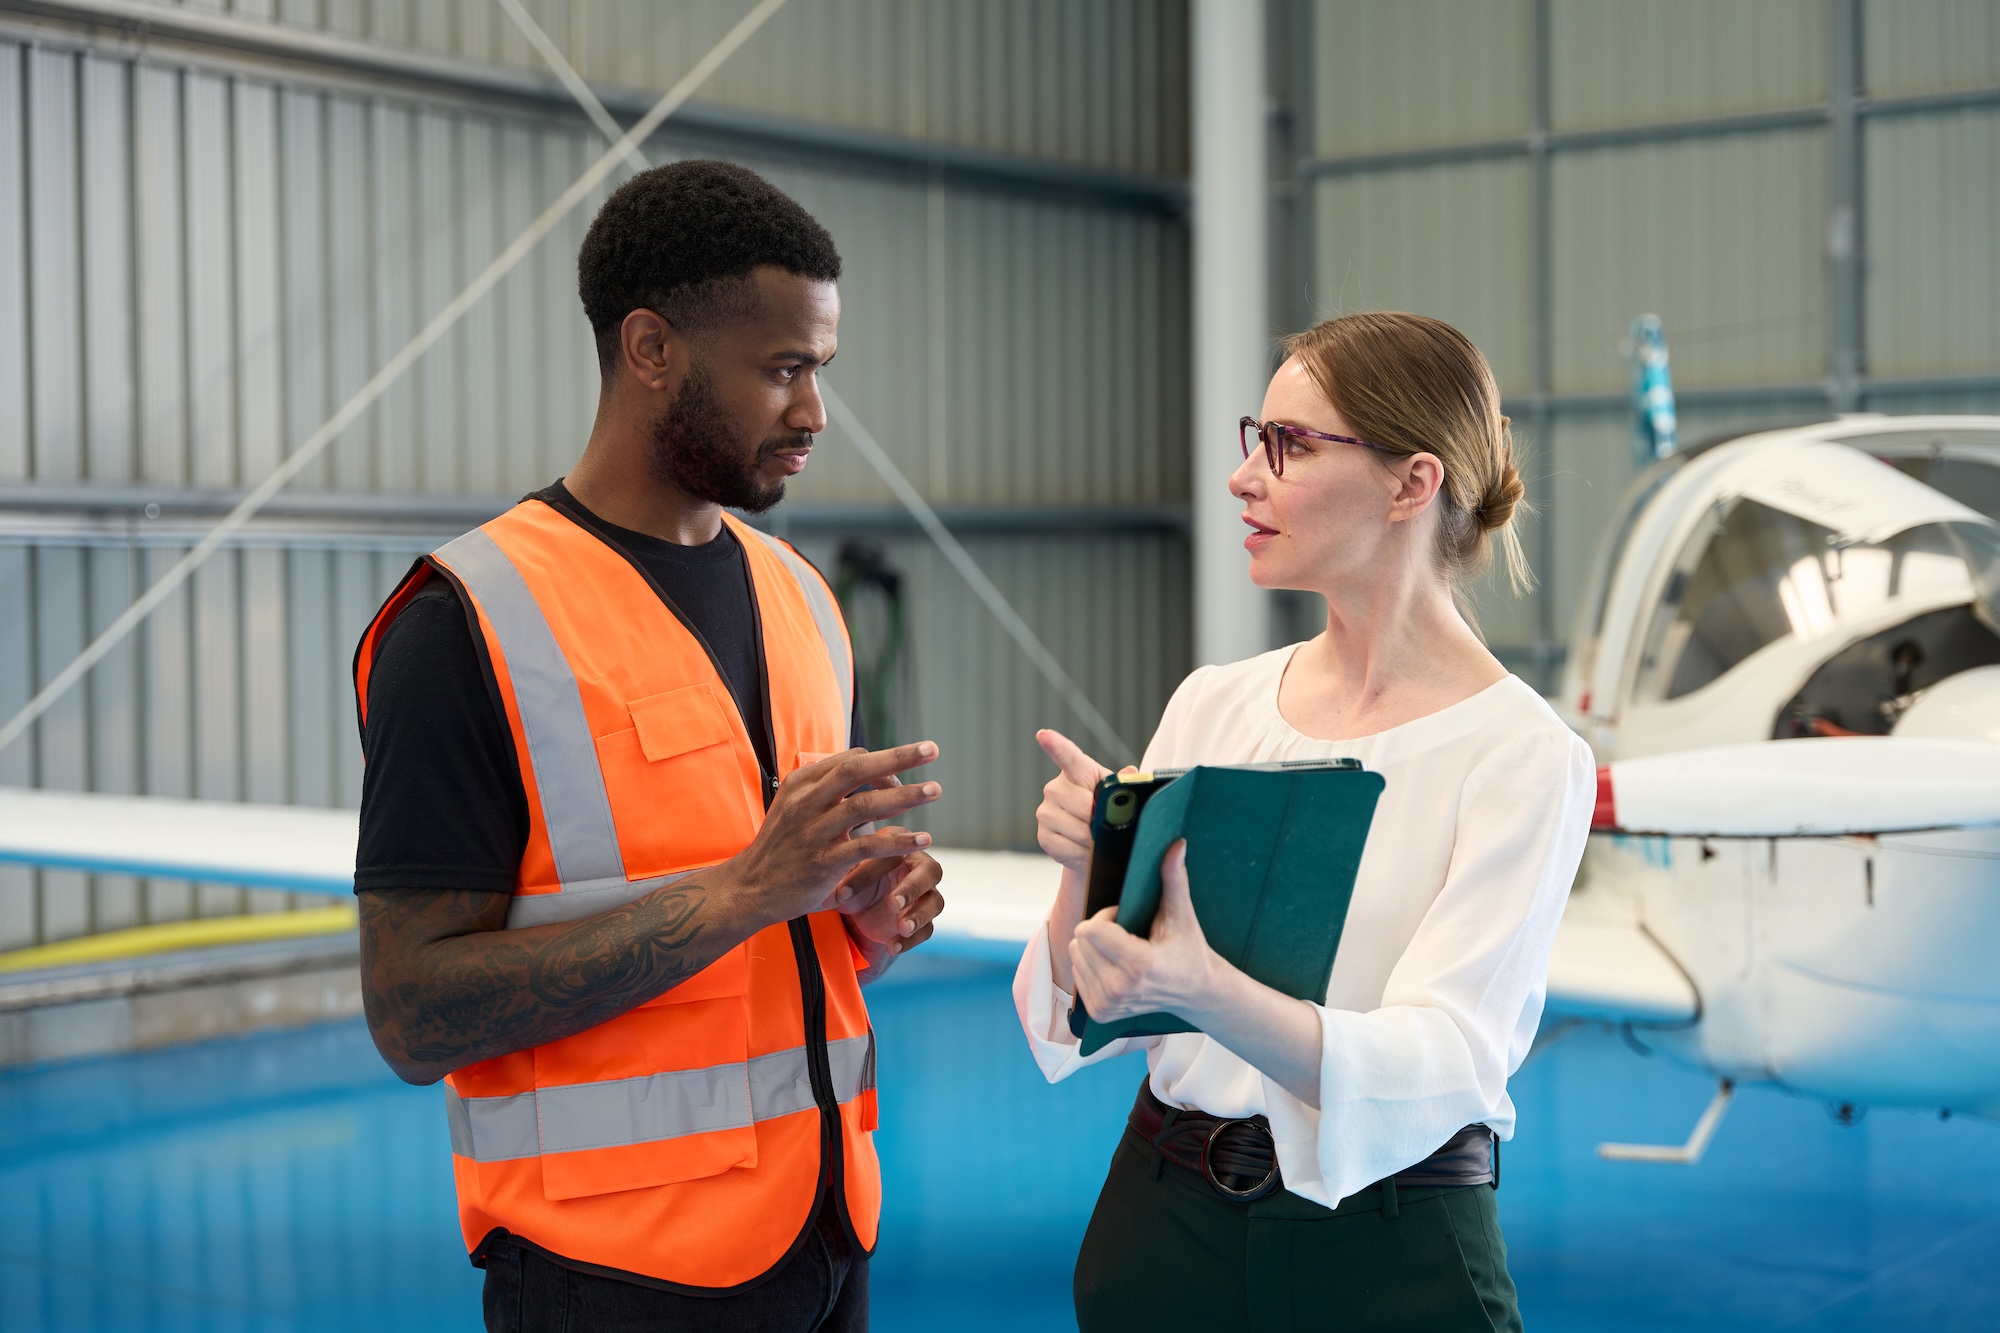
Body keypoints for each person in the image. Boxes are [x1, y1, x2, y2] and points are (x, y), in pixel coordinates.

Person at [352, 160, 946, 1333]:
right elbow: (412, 1016)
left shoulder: (800, 599)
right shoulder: (466, 620)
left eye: (818, 370)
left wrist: (856, 922)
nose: (813, 413)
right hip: (608, 1278)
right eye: (781, 371)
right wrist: (743, 892)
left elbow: (773, 935)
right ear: (650, 348)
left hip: (826, 1239)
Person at [1017, 312, 1595, 1332]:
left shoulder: (1521, 754)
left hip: (1387, 1251)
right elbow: (1077, 1012)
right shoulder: (1213, 704)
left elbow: (1444, 1058)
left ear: (1410, 483)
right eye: (1256, 438)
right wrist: (1083, 865)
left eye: (1287, 445)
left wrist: (1211, 993)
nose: (1244, 478)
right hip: (1159, 1224)